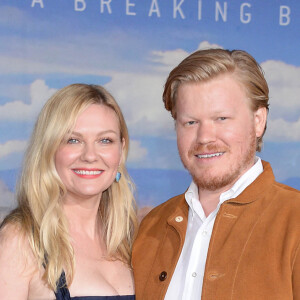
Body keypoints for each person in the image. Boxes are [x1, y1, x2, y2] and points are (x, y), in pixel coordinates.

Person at [132, 49, 300, 299]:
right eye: (190, 122)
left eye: (221, 118)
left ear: (258, 121)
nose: (205, 137)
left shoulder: (294, 220)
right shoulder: (150, 228)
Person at [0, 84, 138, 299]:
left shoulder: (132, 239)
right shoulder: (21, 240)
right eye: (73, 140)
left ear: (121, 150)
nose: (90, 155)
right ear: (49, 149)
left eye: (105, 140)